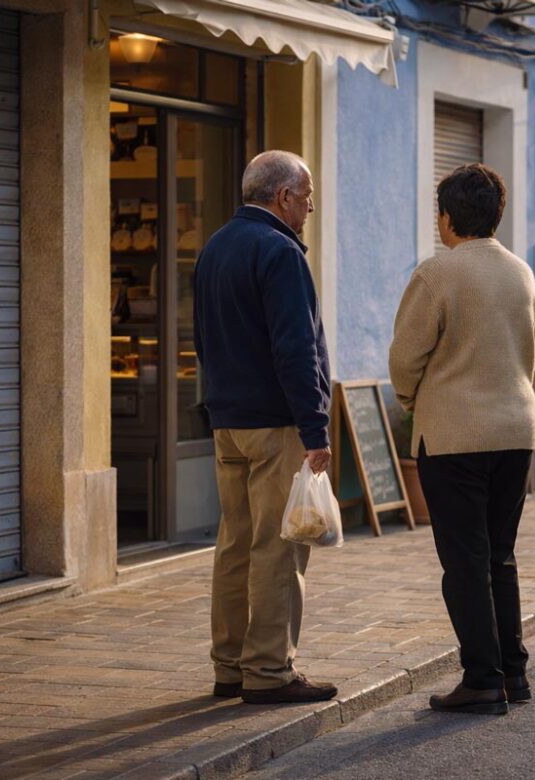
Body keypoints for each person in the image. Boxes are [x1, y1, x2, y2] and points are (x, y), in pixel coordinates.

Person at [389, 163, 535, 715]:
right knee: (499, 556)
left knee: (464, 562)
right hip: (516, 430)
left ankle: (481, 679)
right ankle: (513, 674)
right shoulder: (523, 273)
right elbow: (533, 354)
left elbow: (404, 360)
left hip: (453, 436)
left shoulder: (437, 274)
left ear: (448, 217)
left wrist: (415, 403)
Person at [193, 150, 337, 705]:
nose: (309, 209)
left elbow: (203, 340)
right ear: (283, 197)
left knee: (234, 545)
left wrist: (220, 404)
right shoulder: (279, 252)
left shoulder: (215, 247)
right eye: (306, 199)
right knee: (279, 548)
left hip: (227, 422)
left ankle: (229, 665)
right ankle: (270, 671)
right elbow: (296, 347)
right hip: (275, 425)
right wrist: (315, 427)